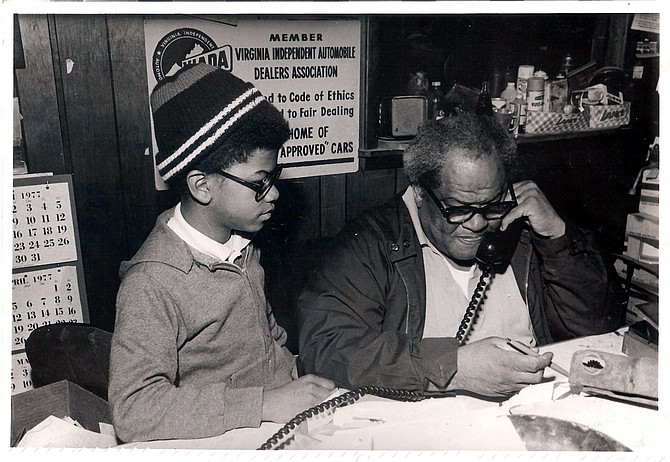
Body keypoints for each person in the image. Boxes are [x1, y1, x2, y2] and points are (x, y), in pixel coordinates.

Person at [298, 113, 624, 398]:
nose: (479, 224)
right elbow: (326, 348)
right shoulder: (370, 244)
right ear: (421, 192)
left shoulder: (523, 233)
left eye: (492, 205)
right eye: (459, 209)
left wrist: (557, 236)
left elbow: (597, 324)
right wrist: (454, 367)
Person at [109, 63, 334, 443]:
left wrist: (298, 380)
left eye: (273, 179)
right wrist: (264, 404)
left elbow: (270, 342)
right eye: (260, 183)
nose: (274, 194)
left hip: (277, 426)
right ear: (201, 186)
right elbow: (132, 411)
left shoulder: (243, 247)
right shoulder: (151, 282)